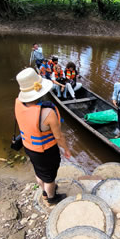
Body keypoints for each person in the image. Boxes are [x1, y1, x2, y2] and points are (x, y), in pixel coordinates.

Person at [14, 68, 71, 206]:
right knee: (50, 178)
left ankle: (44, 191)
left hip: (29, 147)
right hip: (46, 151)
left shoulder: (18, 103)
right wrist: (67, 150)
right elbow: (58, 137)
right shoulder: (47, 113)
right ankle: (51, 198)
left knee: (39, 172)